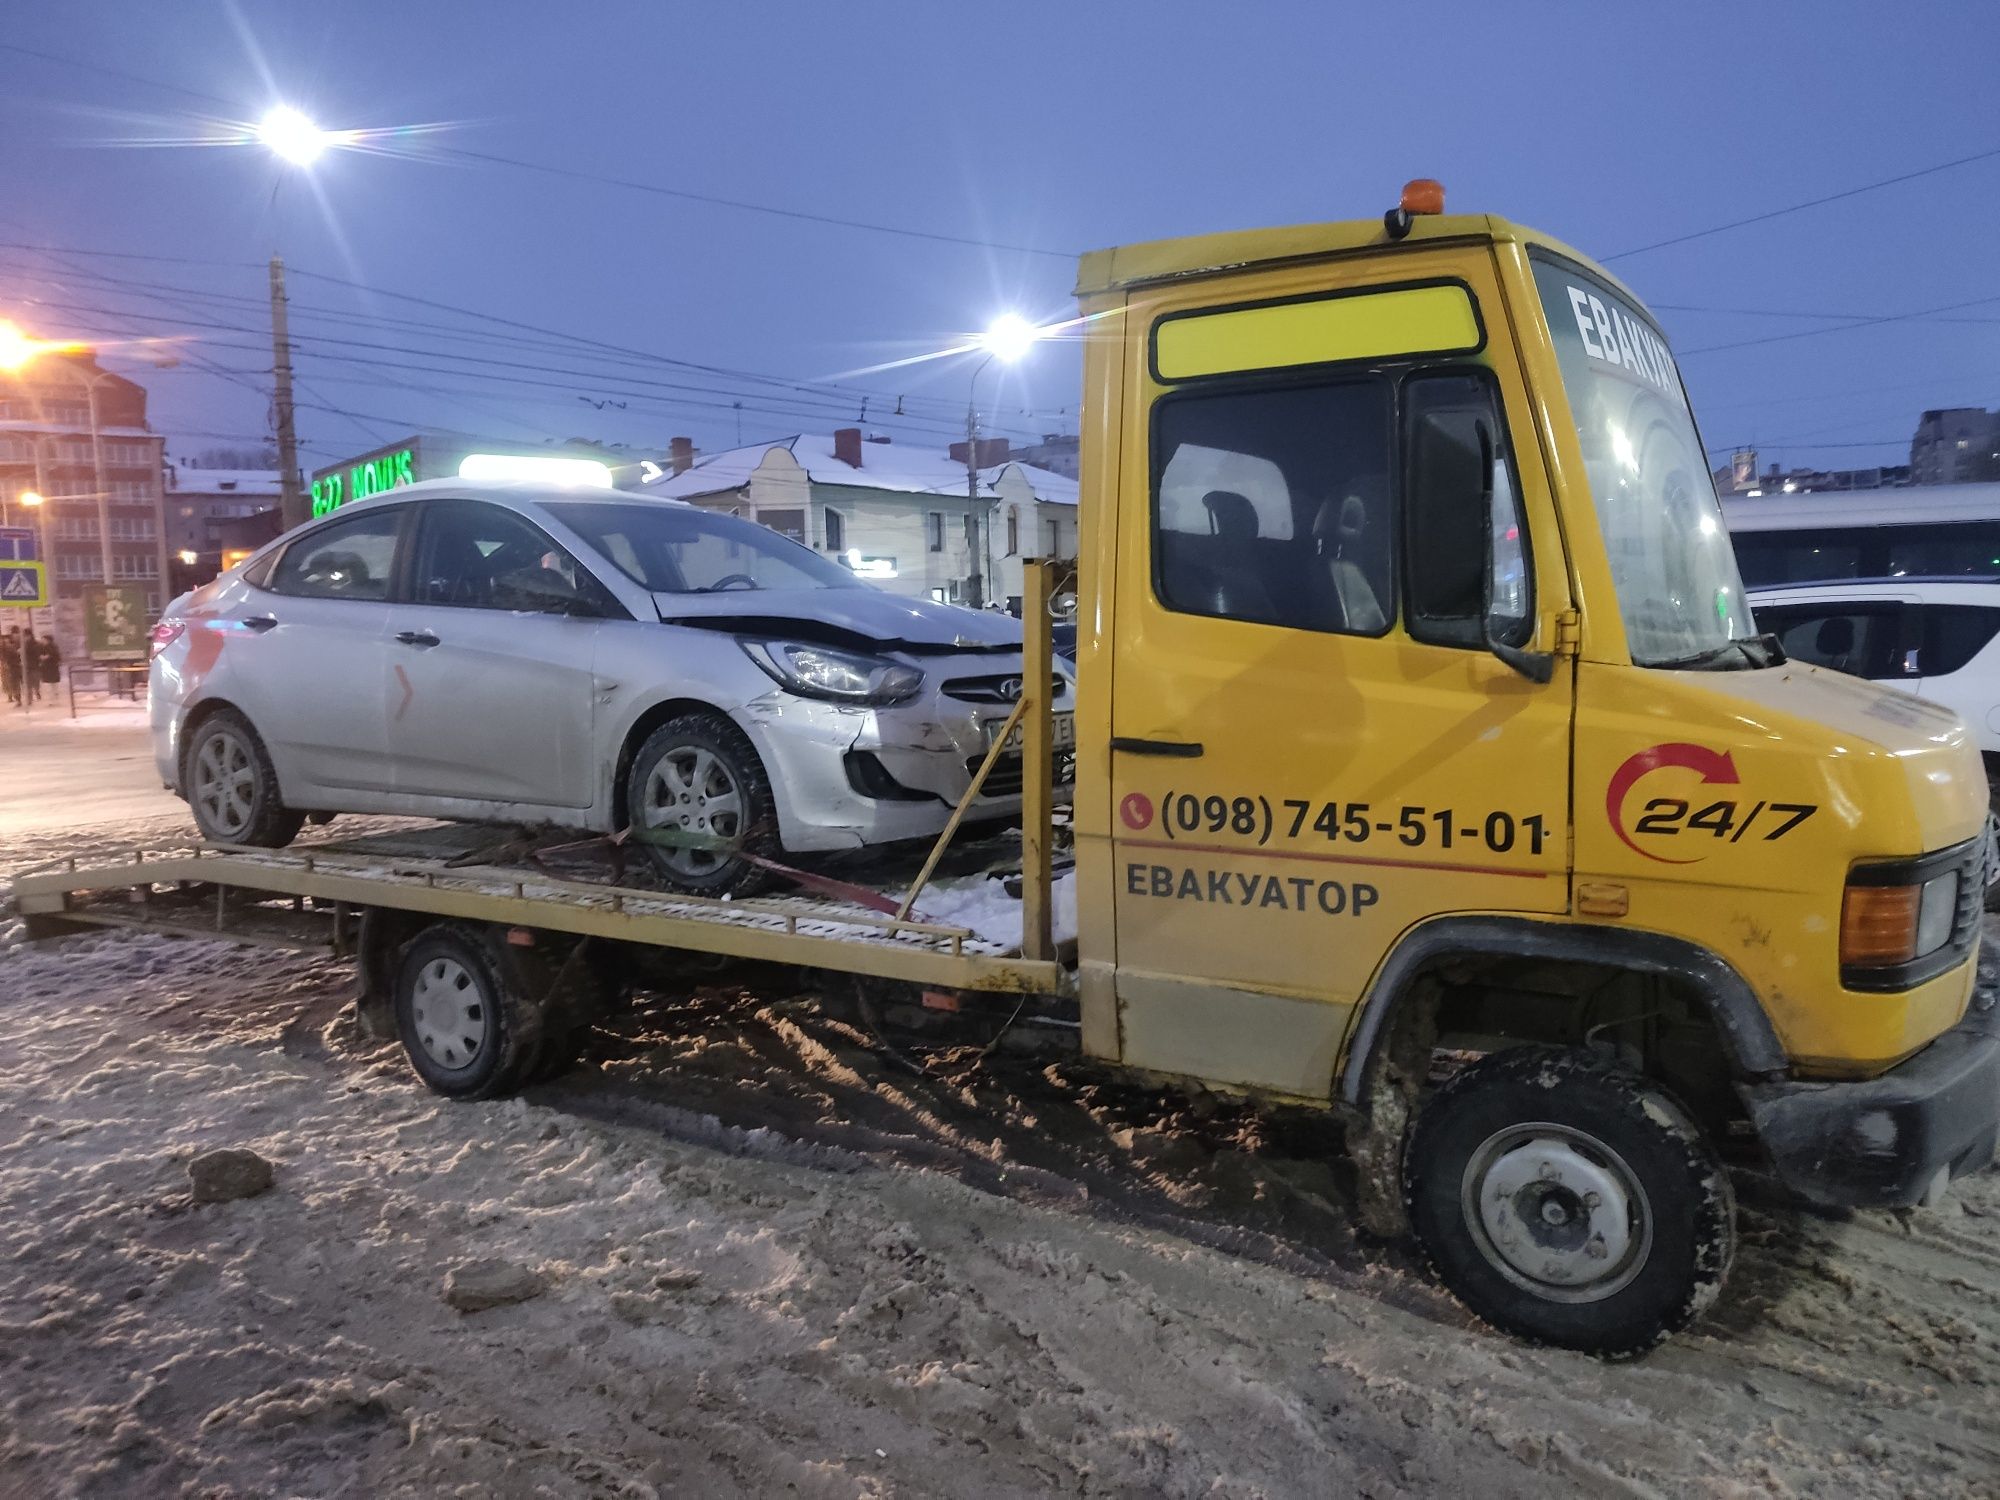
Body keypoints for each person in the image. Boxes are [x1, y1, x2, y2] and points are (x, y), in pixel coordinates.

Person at [0, 625, 21, 707]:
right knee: (6, 682)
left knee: (13, 683)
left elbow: (15, 657)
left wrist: (7, 663)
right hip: (5, 667)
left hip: (11, 667)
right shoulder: (4, 647)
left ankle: (17, 699)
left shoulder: (9, 647)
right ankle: (11, 696)